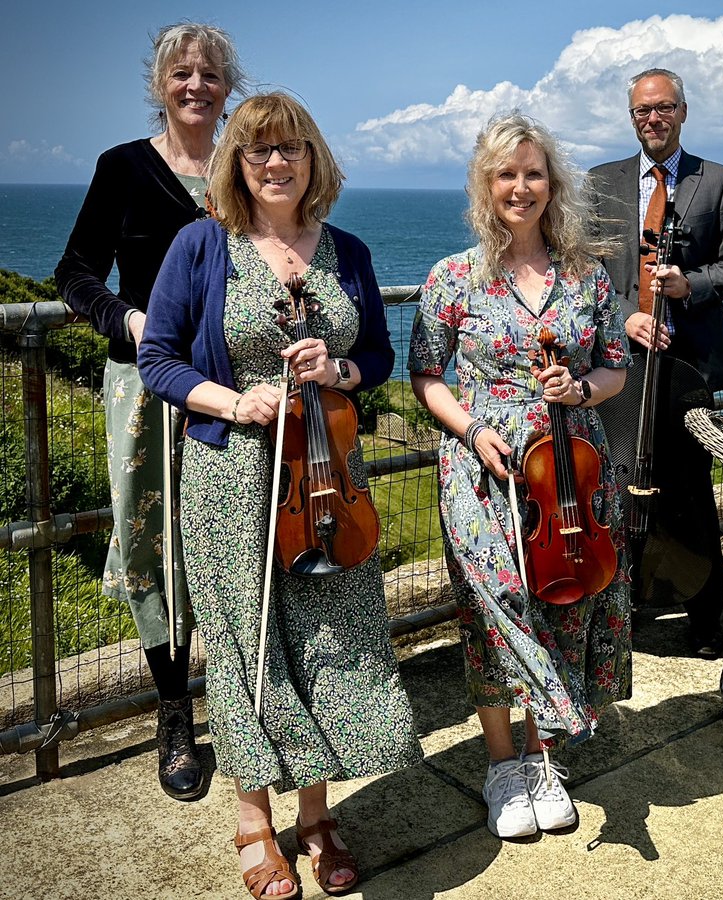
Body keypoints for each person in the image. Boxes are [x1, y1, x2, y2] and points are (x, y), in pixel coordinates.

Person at [139, 92, 422, 899]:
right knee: (247, 649)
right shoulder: (201, 246)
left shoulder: (348, 251)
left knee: (334, 637)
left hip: (329, 472)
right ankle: (253, 818)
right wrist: (237, 403)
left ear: (313, 159)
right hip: (233, 477)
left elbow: (377, 355)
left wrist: (338, 371)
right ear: (237, 160)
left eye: (291, 148)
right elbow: (159, 359)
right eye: (259, 150)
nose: (276, 163)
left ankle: (318, 813)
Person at [408, 112, 631, 840]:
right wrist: (472, 429)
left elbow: (615, 368)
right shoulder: (452, 278)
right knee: (494, 600)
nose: (521, 186)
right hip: (483, 465)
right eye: (506, 173)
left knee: (564, 597)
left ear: (552, 184)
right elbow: (425, 376)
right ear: (486, 185)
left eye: (534, 173)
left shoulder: (586, 274)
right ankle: (501, 762)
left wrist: (583, 391)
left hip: (571, 468)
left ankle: (541, 759)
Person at [54, 22, 246, 800]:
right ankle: (175, 716)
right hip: (145, 388)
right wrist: (125, 319)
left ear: (227, 87)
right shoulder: (121, 168)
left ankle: (242, 703)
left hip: (236, 384)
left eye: (209, 74)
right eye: (181, 73)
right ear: (160, 84)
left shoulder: (247, 162)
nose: (195, 85)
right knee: (152, 547)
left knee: (235, 535)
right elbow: (72, 271)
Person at [589, 67, 723, 659]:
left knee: (690, 491)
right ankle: (624, 608)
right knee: (620, 484)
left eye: (662, 109)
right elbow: (582, 267)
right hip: (620, 363)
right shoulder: (600, 183)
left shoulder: (716, 181)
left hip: (687, 365)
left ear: (683, 111)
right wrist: (626, 314)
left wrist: (690, 286)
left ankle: (706, 615)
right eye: (640, 111)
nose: (651, 120)